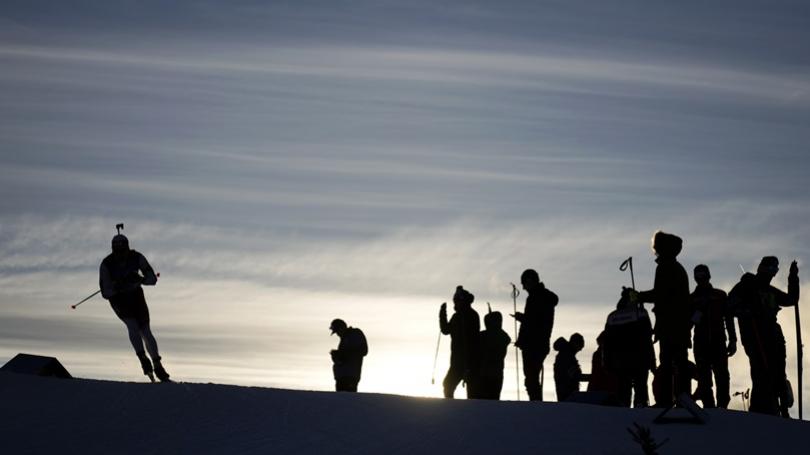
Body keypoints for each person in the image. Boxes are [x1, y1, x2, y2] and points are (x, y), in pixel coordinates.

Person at [728, 257, 799, 416]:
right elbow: (729, 307)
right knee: (761, 372)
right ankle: (761, 410)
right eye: (770, 269)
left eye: (775, 270)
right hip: (755, 335)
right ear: (762, 268)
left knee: (778, 372)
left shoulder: (770, 290)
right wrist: (745, 312)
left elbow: (791, 299)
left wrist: (793, 279)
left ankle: (781, 408)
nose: (772, 274)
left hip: (774, 335)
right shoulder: (746, 286)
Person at [629, 231, 690, 407]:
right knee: (677, 362)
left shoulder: (666, 267)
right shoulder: (674, 267)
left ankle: (668, 401)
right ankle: (680, 399)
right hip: (676, 324)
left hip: (671, 324)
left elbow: (661, 295)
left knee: (671, 362)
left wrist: (638, 297)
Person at [99, 233, 170, 382]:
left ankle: (157, 363)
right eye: (117, 251)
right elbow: (105, 292)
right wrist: (117, 286)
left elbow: (152, 279)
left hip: (136, 296)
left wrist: (141, 279)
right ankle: (143, 357)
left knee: (145, 329)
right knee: (132, 325)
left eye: (123, 250)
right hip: (119, 300)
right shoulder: (106, 263)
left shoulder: (136, 257)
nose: (121, 255)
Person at [690, 264, 737, 408]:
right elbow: (687, 324)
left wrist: (733, 339)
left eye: (703, 276)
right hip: (701, 343)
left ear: (709, 276)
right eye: (699, 277)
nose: (702, 279)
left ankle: (722, 405)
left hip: (718, 342)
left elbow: (729, 318)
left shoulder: (720, 295)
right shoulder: (691, 299)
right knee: (704, 377)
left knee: (722, 375)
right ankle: (708, 406)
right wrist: (697, 314)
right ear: (696, 279)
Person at [604, 288, 655, 408]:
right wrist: (652, 361)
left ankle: (623, 412)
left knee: (623, 390)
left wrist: (607, 363)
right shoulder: (640, 313)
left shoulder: (612, 317)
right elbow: (647, 338)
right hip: (639, 359)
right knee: (641, 389)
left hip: (619, 361)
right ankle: (641, 410)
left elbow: (607, 343)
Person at [512, 269, 558, 401]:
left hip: (534, 344)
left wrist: (522, 318)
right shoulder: (542, 297)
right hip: (538, 343)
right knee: (532, 377)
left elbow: (534, 321)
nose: (523, 287)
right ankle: (536, 403)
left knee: (531, 378)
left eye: (524, 283)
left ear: (530, 281)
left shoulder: (536, 297)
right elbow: (535, 320)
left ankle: (536, 404)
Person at [439, 286, 481, 399]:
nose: (455, 303)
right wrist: (442, 314)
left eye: (457, 301)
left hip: (470, 360)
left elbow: (472, 338)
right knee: (448, 384)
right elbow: (445, 330)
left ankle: (470, 413)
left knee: (471, 392)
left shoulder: (472, 315)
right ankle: (451, 408)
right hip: (457, 360)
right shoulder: (456, 316)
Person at [478, 310, 511, 400]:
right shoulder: (503, 336)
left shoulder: (483, 336)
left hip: (484, 373)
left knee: (485, 399)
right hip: (497, 373)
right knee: (494, 398)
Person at [329, 318, 368, 392]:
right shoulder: (344, 339)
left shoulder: (355, 334)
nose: (337, 334)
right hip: (341, 377)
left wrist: (342, 354)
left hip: (350, 377)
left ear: (342, 328)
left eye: (337, 331)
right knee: (341, 401)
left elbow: (363, 350)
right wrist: (337, 357)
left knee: (347, 400)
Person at [552, 333, 584, 401]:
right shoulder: (567, 356)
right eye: (580, 346)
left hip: (564, 391)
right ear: (575, 343)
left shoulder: (565, 354)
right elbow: (573, 375)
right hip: (567, 393)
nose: (580, 349)